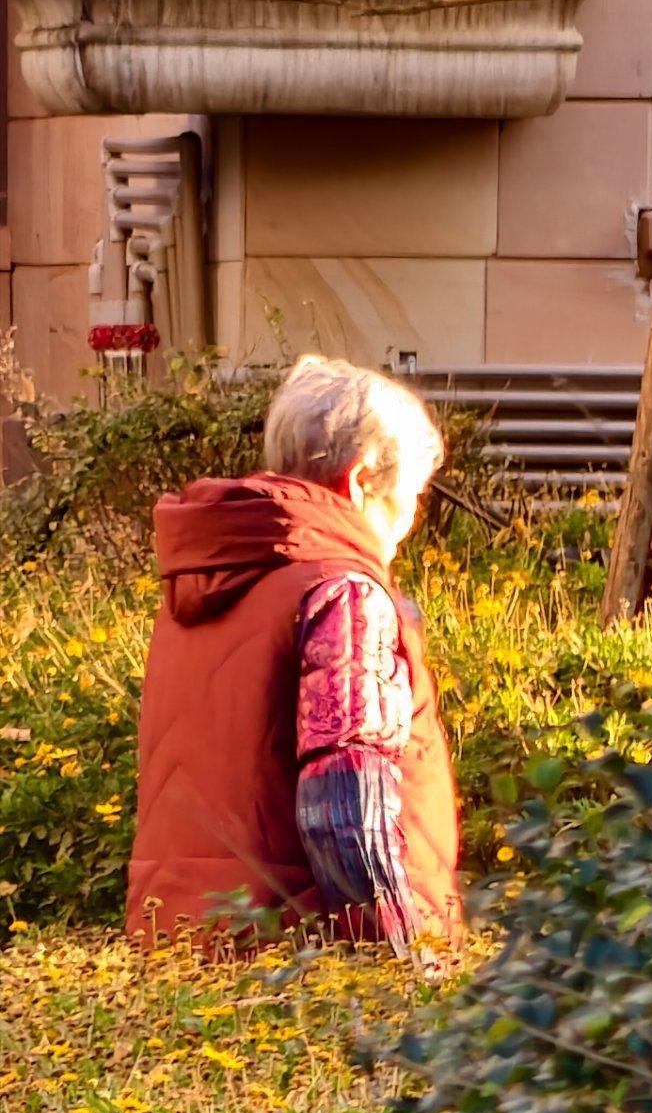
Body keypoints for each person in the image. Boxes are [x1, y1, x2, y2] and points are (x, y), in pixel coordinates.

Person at [126, 354, 461, 957]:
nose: (411, 519)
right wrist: (406, 963)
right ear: (361, 481)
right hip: (302, 975)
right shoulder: (344, 596)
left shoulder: (205, 583)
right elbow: (345, 812)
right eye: (411, 495)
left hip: (177, 953)